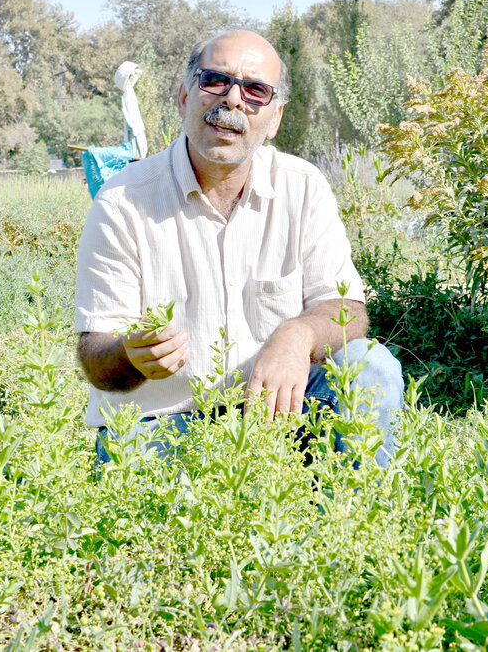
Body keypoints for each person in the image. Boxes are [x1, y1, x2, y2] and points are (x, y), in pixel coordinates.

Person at [74, 30, 403, 467]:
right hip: (161, 424)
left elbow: (348, 311)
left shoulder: (303, 188)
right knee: (148, 514)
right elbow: (96, 358)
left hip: (281, 413)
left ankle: (358, 522)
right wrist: (130, 354)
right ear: (183, 97)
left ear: (276, 118)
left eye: (255, 90)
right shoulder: (121, 202)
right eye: (215, 80)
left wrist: (296, 335)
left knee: (370, 366)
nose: (232, 100)